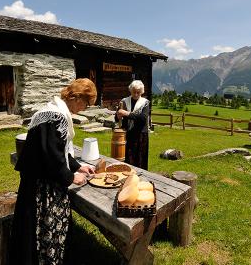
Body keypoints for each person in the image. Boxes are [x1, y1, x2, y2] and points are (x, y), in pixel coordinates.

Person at [10, 78, 97, 264]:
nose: (85, 108)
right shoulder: (56, 117)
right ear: (76, 97)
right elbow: (52, 159)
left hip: (36, 181)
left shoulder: (50, 111)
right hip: (43, 189)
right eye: (86, 103)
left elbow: (58, 149)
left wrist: (78, 165)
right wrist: (72, 177)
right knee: (45, 231)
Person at [116, 80, 150, 170]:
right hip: (127, 134)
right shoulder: (124, 102)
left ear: (142, 92)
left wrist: (127, 113)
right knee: (127, 158)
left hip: (141, 135)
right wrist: (118, 116)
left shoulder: (145, 103)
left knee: (140, 159)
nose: (135, 94)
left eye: (138, 92)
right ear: (130, 91)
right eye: (134, 92)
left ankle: (141, 178)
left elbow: (143, 118)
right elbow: (117, 118)